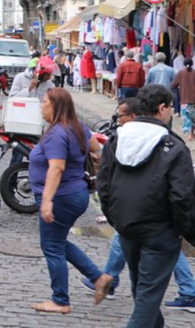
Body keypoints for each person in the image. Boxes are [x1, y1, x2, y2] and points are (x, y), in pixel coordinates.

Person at [96, 84, 195, 326]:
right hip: (159, 231)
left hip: (128, 226)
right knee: (147, 298)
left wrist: (116, 219)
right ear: (162, 108)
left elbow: (103, 185)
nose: (171, 112)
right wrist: (184, 231)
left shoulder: (117, 138)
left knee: (143, 292)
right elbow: (182, 197)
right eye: (170, 107)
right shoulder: (174, 146)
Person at [29, 88, 103, 314]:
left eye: (44, 102)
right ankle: (98, 278)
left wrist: (47, 201)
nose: (41, 106)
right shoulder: (77, 125)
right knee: (58, 242)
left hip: (61, 197)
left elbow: (57, 167)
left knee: (51, 246)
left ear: (55, 106)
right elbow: (96, 148)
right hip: (76, 193)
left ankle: (60, 300)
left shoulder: (57, 134)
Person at [173, 58, 195, 141]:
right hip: (194, 99)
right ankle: (192, 133)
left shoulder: (180, 73)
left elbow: (174, 84)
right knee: (193, 116)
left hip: (184, 98)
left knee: (186, 117)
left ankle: (190, 134)